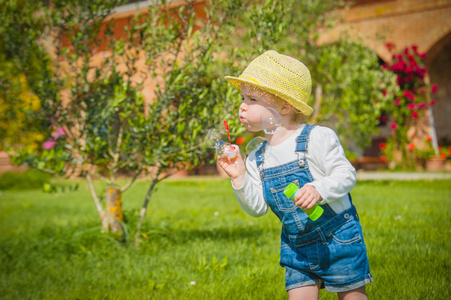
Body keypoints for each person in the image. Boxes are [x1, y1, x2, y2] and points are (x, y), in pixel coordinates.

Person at [217, 50, 373, 300]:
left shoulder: (316, 138)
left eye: (252, 99)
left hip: (339, 239)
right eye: (242, 97)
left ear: (285, 105)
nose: (242, 106)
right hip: (295, 246)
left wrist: (319, 189)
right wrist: (239, 176)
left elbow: (346, 174)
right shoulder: (258, 157)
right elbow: (257, 208)